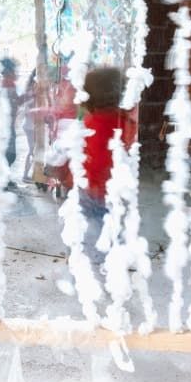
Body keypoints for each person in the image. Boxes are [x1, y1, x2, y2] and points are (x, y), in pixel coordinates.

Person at [78, 66, 136, 265]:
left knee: (95, 227)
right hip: (109, 187)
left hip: (94, 188)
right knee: (111, 225)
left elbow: (95, 159)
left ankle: (99, 259)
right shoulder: (124, 120)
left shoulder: (94, 121)